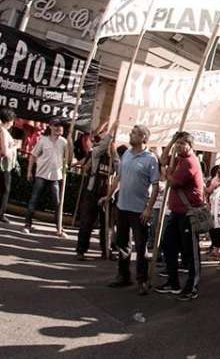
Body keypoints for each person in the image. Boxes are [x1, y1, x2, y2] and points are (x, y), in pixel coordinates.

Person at [98, 125, 160, 294]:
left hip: (139, 210)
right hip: (122, 207)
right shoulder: (126, 154)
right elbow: (119, 177)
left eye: (134, 134)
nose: (131, 135)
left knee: (140, 247)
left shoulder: (151, 159)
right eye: (132, 132)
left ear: (143, 138)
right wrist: (109, 195)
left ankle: (142, 280)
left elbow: (155, 187)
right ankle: (123, 276)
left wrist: (148, 209)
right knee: (122, 243)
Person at [156, 132, 204, 300]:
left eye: (182, 143)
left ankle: (192, 286)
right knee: (169, 246)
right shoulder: (180, 159)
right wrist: (170, 142)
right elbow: (162, 160)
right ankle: (173, 282)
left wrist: (167, 172)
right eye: (178, 143)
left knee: (190, 251)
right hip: (176, 212)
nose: (179, 146)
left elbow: (174, 181)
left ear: (190, 145)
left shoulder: (190, 162)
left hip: (188, 213)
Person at [23, 119, 69, 236]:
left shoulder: (64, 142)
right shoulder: (43, 140)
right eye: (56, 126)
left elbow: (68, 158)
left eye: (60, 126)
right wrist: (29, 171)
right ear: (51, 127)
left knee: (58, 203)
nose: (59, 128)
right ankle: (27, 225)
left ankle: (59, 228)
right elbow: (33, 156)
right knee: (34, 199)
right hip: (41, 175)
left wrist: (71, 143)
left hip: (55, 176)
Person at [76, 131, 115, 261]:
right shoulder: (97, 154)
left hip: (106, 195)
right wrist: (111, 132)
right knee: (86, 223)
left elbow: (120, 172)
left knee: (106, 226)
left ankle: (106, 250)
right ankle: (81, 250)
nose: (108, 146)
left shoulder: (114, 159)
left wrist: (110, 195)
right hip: (92, 192)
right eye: (106, 143)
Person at [0, 108, 17, 223]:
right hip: (3, 166)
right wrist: (15, 146)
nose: (13, 123)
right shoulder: (4, 132)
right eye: (12, 120)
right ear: (9, 120)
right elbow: (5, 152)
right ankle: (1, 213)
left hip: (4, 166)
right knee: (5, 190)